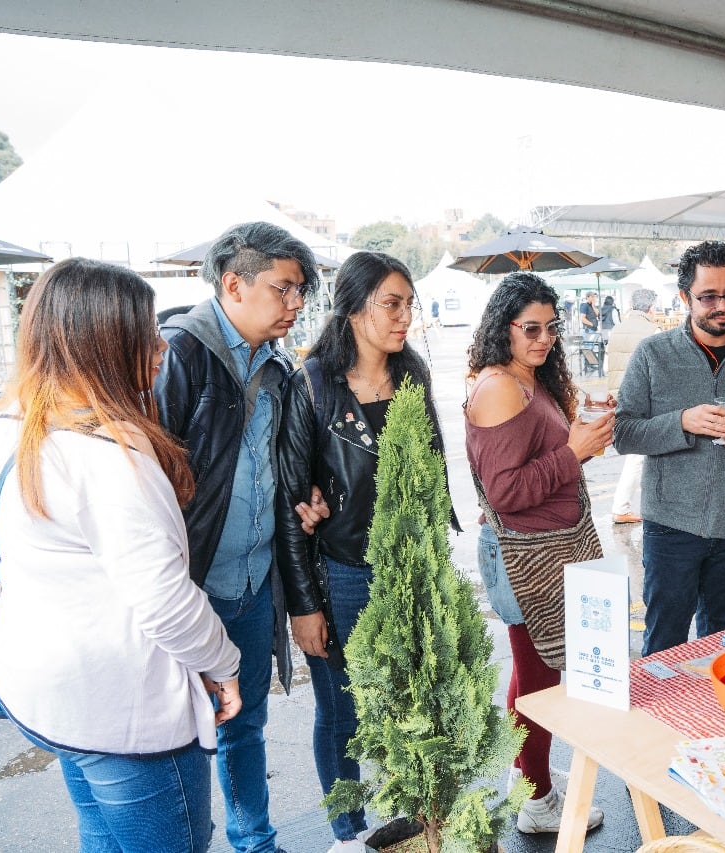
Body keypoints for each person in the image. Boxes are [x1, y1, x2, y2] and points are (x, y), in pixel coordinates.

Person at [0, 258, 242, 852]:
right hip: (120, 707)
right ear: (100, 343)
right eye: (142, 332)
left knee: (104, 836)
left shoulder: (14, 429)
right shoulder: (106, 454)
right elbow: (167, 604)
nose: (160, 348)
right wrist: (223, 663)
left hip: (45, 692)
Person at [154, 220, 322, 853]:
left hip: (254, 583)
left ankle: (256, 840)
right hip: (189, 589)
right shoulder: (181, 354)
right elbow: (154, 485)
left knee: (244, 723)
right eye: (284, 289)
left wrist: (304, 496)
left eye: (300, 289)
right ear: (233, 284)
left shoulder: (277, 366)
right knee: (179, 735)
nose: (297, 303)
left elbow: (276, 469)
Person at [275, 252, 447, 852]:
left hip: (412, 565)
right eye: (391, 304)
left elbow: (433, 472)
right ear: (354, 308)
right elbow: (292, 505)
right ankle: (346, 833)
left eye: (408, 304)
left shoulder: (414, 374)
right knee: (342, 709)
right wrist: (304, 605)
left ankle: (419, 819)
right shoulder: (314, 383)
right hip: (343, 572)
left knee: (416, 701)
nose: (404, 317)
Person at [464, 272, 609, 835]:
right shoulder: (502, 386)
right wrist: (574, 452)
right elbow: (504, 492)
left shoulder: (527, 379)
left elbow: (528, 468)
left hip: (547, 554)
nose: (544, 338)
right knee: (541, 682)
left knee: (530, 676)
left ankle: (528, 775)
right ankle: (538, 802)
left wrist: (578, 444)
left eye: (552, 327)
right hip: (529, 559)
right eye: (531, 328)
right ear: (504, 329)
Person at [614, 240, 725, 656]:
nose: (722, 305)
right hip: (669, 528)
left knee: (722, 639)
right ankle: (657, 718)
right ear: (684, 298)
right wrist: (682, 422)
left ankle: (710, 718)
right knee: (664, 640)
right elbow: (624, 433)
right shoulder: (653, 355)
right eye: (708, 296)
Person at [606, 288, 661, 524]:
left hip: (619, 397)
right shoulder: (653, 332)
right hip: (644, 400)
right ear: (650, 308)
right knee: (637, 456)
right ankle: (621, 506)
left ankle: (624, 506)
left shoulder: (617, 329)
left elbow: (609, 365)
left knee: (636, 453)